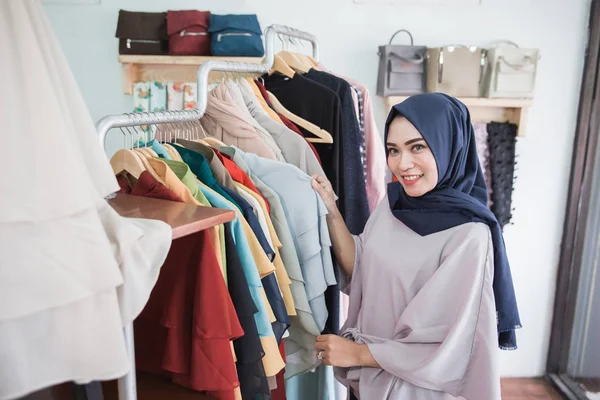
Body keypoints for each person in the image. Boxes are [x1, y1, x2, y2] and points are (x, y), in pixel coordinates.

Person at [310, 93, 521, 400]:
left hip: (417, 391)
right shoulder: (393, 205)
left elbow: (450, 346)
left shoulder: (469, 236)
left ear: (449, 144)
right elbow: (363, 269)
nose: (402, 164)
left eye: (418, 147)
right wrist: (330, 208)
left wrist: (357, 355)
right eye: (393, 150)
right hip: (370, 380)